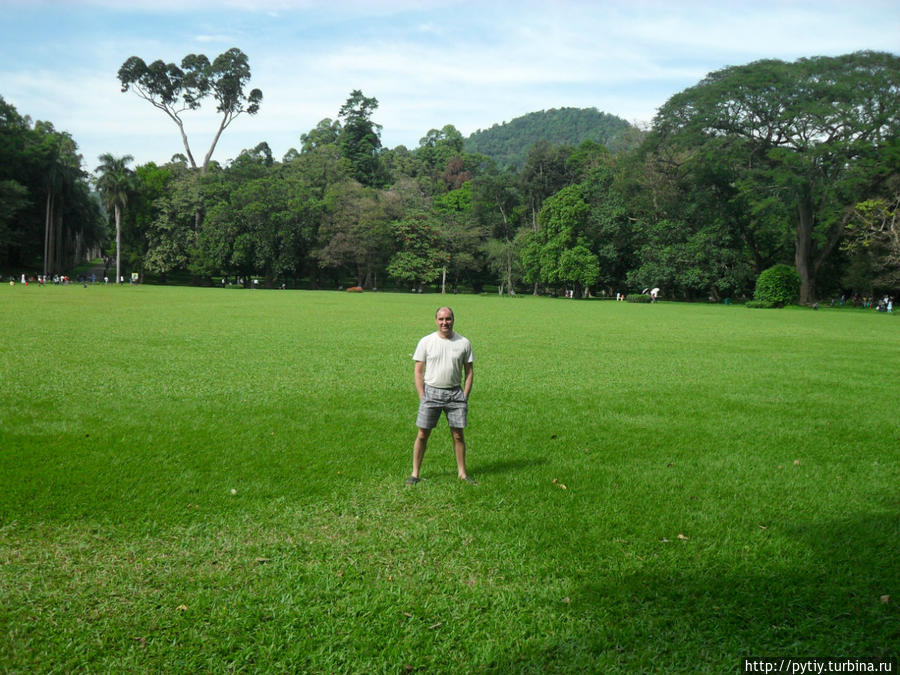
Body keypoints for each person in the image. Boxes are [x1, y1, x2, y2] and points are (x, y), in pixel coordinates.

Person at [407, 306, 476, 486]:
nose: (445, 323)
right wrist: (423, 395)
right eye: (441, 319)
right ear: (436, 321)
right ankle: (415, 474)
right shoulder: (426, 342)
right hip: (431, 393)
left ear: (453, 320)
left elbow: (469, 372)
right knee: (422, 434)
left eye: (448, 319)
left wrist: (465, 396)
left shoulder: (464, 343)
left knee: (458, 435)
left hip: (455, 394)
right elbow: (418, 371)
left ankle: (462, 473)